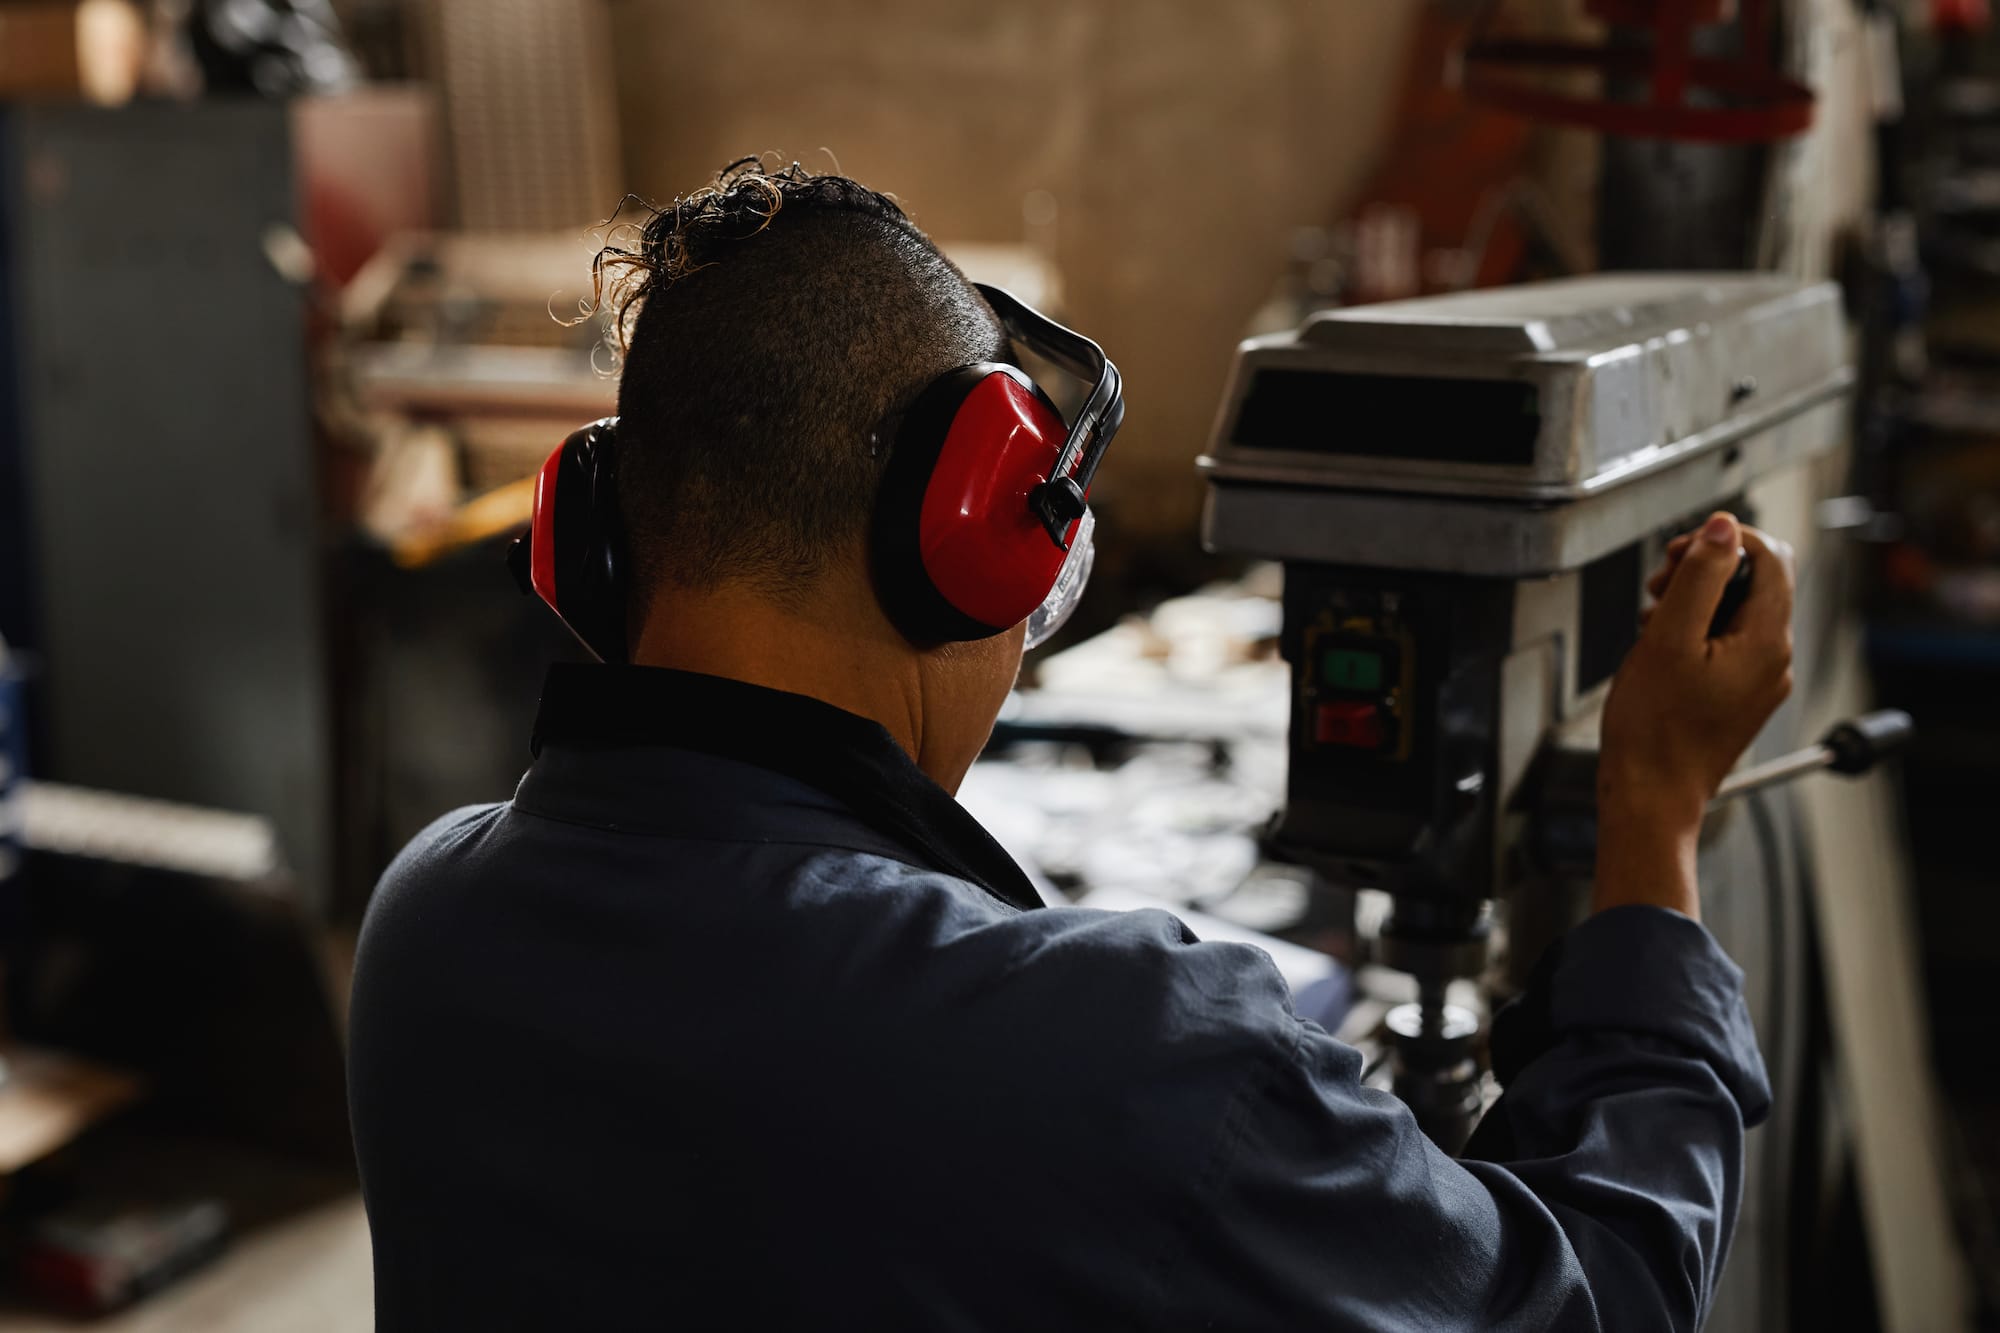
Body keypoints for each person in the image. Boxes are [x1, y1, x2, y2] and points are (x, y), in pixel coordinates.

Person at [347, 160, 1790, 1331]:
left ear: (594, 547)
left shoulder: (427, 925)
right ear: (971, 535)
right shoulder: (1117, 1055)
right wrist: (1652, 822)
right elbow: (1600, 1301)